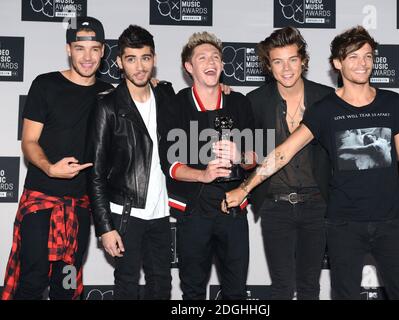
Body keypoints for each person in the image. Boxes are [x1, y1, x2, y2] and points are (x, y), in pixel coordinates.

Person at [224, 26, 399, 300]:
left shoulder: (390, 102)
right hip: (341, 223)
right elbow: (282, 153)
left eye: (367, 56)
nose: (361, 63)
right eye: (353, 57)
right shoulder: (324, 109)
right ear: (337, 63)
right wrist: (245, 188)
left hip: (386, 220)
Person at [1, 16, 112, 300]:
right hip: (40, 202)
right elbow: (28, 142)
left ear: (102, 51)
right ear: (68, 49)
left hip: (80, 209)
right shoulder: (45, 85)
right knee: (31, 283)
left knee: (66, 288)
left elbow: (147, 93)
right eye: (79, 48)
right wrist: (50, 168)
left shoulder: (110, 94)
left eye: (94, 49)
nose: (87, 57)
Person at [159, 31, 256, 300]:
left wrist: (240, 156)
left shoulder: (239, 102)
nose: (210, 62)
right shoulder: (176, 104)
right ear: (189, 67)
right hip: (194, 210)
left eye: (215, 57)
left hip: (233, 207)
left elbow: (255, 159)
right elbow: (170, 164)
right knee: (192, 290)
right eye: (202, 57)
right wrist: (203, 174)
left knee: (235, 291)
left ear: (223, 65)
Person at [86, 25, 175, 300]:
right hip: (125, 214)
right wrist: (105, 228)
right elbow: (96, 173)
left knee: (161, 286)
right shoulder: (108, 106)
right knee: (126, 286)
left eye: (145, 58)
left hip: (161, 214)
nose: (139, 67)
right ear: (119, 62)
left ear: (155, 59)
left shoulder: (166, 95)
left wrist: (221, 86)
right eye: (131, 59)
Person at [246, 26, 333, 300]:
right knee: (281, 287)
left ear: (303, 61)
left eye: (292, 59)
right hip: (275, 206)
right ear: (269, 66)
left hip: (317, 205)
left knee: (310, 287)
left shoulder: (326, 98)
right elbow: (248, 155)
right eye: (278, 61)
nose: (286, 69)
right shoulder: (255, 101)